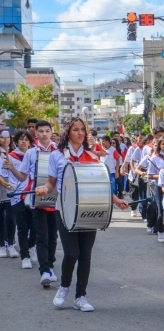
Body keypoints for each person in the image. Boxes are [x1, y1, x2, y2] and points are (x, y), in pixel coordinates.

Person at [35, 117, 129, 311]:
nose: (80, 133)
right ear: (67, 132)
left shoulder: (92, 156)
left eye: (82, 130)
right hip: (65, 210)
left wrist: (116, 200)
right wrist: (44, 187)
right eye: (75, 129)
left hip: (89, 210)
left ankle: (81, 296)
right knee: (72, 253)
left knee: (85, 254)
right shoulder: (57, 155)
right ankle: (63, 288)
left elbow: (99, 185)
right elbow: (52, 183)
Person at [6, 121, 59, 285]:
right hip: (36, 198)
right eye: (41, 131)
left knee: (53, 236)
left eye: (47, 131)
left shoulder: (58, 151)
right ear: (36, 133)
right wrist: (12, 168)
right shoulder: (31, 153)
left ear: (51, 132)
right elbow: (22, 177)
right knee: (41, 235)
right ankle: (44, 271)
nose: (44, 134)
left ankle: (50, 265)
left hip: (55, 200)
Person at [6, 131, 37, 269]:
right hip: (17, 195)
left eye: (26, 139)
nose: (23, 142)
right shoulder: (10, 157)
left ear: (30, 142)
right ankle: (25, 256)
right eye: (21, 139)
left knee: (35, 226)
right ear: (16, 141)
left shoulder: (35, 155)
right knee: (23, 227)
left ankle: (31, 246)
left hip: (33, 194)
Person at [0, 130, 17, 259]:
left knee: (11, 218)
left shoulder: (14, 154)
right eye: (2, 137)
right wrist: (5, 184)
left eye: (7, 137)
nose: (5, 140)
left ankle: (11, 243)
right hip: (2, 188)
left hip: (13, 188)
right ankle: (1, 245)